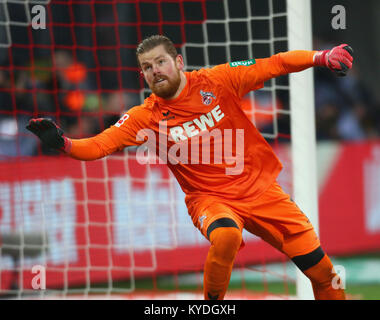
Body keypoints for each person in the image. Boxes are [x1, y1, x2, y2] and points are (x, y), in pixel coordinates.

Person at [26, 35, 353, 300]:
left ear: (178, 62)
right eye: (147, 67)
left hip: (263, 192)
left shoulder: (219, 80)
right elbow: (98, 145)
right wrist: (63, 143)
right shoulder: (144, 117)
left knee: (324, 275)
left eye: (160, 62)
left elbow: (275, 63)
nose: (155, 70)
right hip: (210, 199)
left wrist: (321, 56)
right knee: (225, 235)